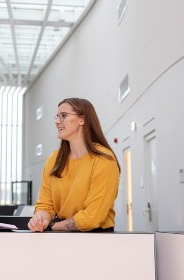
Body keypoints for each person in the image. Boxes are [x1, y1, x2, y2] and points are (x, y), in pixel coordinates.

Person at [28, 98, 120, 232]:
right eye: (57, 116)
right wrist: (40, 220)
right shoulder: (54, 160)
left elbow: (92, 217)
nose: (57, 121)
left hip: (97, 239)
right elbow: (45, 205)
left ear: (82, 120)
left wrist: (54, 226)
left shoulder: (104, 160)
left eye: (63, 116)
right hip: (61, 236)